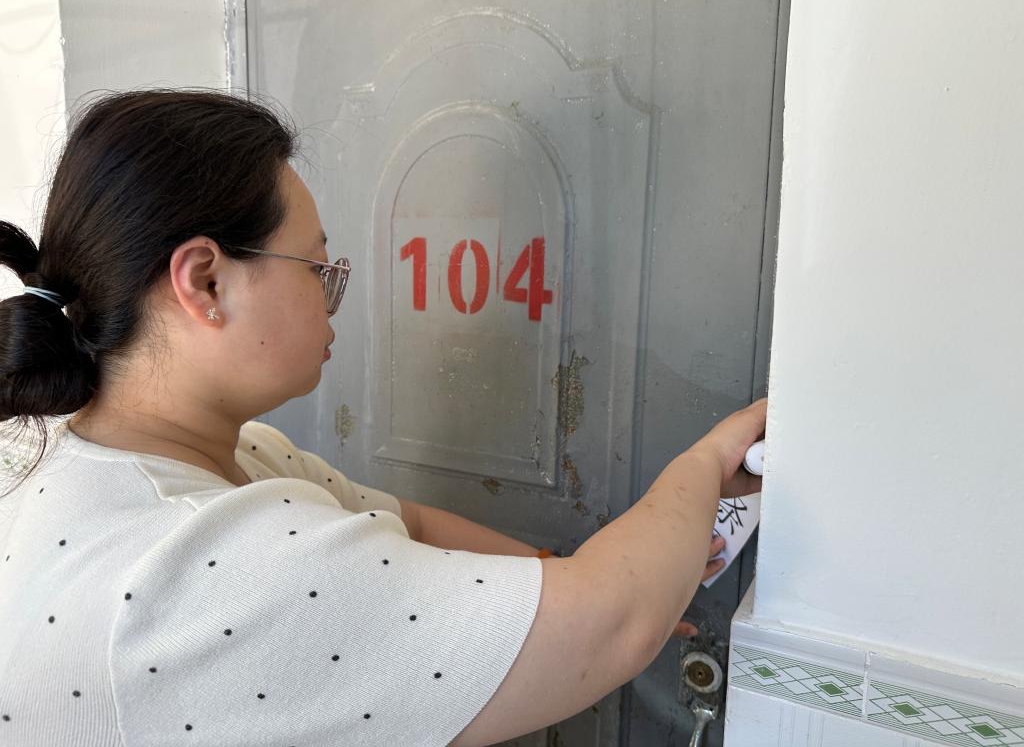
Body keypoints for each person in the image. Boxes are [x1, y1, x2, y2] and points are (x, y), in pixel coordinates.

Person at [0, 89, 766, 747]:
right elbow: (612, 625)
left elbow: (411, 524)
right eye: (319, 269)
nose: (335, 300)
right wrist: (703, 468)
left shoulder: (223, 459)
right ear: (205, 281)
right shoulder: (203, 563)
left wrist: (573, 575)